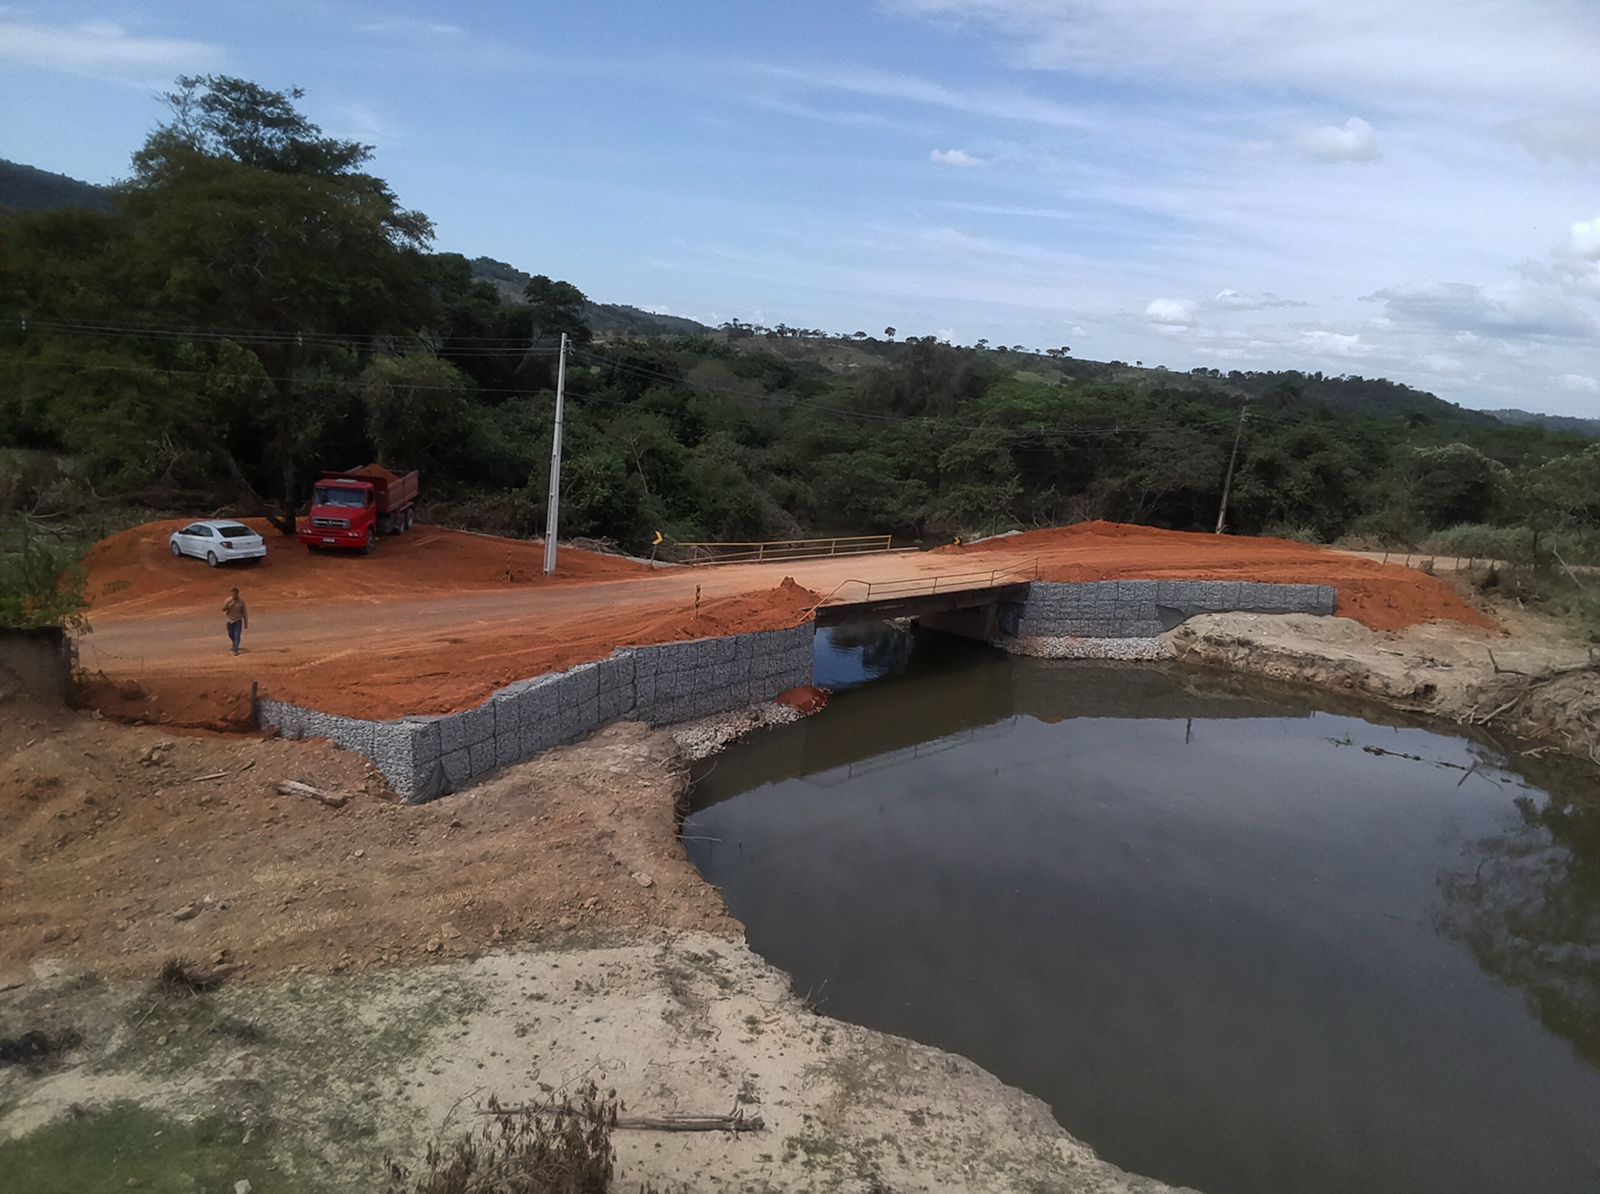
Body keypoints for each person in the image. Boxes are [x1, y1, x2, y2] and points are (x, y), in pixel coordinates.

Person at [223, 587, 248, 655]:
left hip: (238, 620)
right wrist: (227, 605)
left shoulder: (241, 602)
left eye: (235, 594)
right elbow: (223, 609)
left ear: (238, 594)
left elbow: (245, 613)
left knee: (237, 635)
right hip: (229, 620)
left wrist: (246, 623)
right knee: (230, 634)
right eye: (233, 594)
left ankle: (235, 649)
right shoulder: (228, 600)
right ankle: (235, 644)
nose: (234, 595)